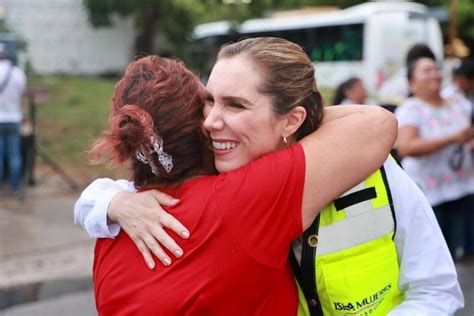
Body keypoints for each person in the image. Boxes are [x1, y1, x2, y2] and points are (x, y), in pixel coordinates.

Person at [75, 38, 463, 315]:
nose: (210, 121)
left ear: (291, 118)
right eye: (208, 101)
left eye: (236, 104)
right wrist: (110, 199)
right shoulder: (219, 184)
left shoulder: (374, 173)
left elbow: (437, 290)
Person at [395, 54, 474, 261]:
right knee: (437, 256)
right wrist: (451, 139)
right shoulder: (411, 109)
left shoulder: (458, 102)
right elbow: (406, 147)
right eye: (426, 70)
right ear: (412, 82)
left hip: (463, 187)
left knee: (462, 252)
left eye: (436, 69)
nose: (435, 74)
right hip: (430, 194)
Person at [0, 44, 26, 196]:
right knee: (14, 155)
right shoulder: (18, 73)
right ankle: (14, 187)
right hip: (14, 118)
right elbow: (21, 95)